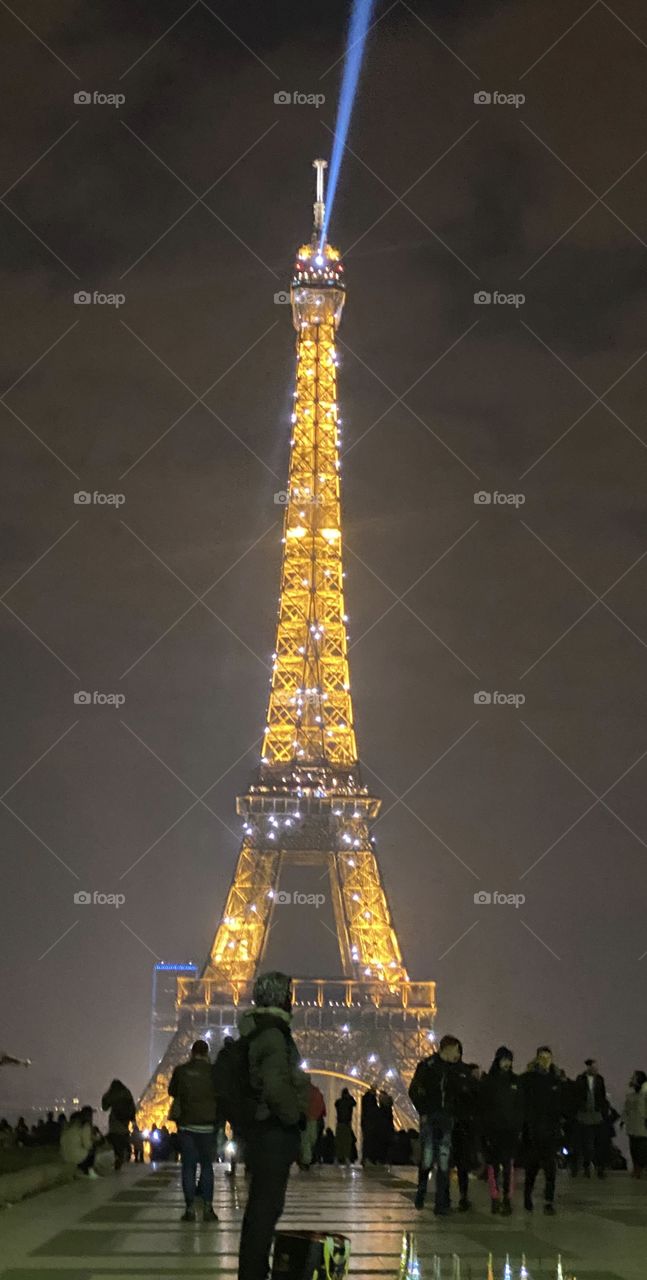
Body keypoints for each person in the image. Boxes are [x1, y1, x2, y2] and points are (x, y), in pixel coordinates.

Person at [237, 970, 309, 1280]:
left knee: (260, 1210)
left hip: (260, 1132)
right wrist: (295, 1116)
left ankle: (253, 1270)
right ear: (282, 997)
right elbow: (276, 1085)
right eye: (289, 994)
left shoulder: (257, 1031)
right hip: (272, 1133)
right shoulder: (273, 1035)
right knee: (266, 1209)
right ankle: (254, 1273)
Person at [408, 1032, 472, 1214]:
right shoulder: (427, 1066)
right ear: (448, 1049)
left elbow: (465, 1093)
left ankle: (441, 1203)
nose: (459, 1055)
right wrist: (424, 1111)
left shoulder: (457, 1070)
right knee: (428, 1159)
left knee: (444, 1161)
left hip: (446, 1119)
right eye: (457, 1051)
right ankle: (421, 1190)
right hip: (431, 1118)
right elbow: (414, 1090)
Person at [169, 1039, 219, 1223]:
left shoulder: (181, 1071)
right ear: (207, 1053)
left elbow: (172, 1091)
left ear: (192, 1052)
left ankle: (189, 1208)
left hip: (187, 1125)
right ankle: (208, 1208)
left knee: (188, 1167)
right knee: (207, 1167)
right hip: (207, 1125)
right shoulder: (215, 1072)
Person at [521, 1046, 565, 1215]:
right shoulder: (528, 1079)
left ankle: (548, 1200)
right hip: (534, 1130)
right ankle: (527, 1196)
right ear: (537, 1059)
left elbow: (562, 1104)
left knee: (550, 1169)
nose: (546, 1061)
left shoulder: (556, 1080)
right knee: (532, 1167)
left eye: (548, 1058)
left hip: (550, 1131)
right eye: (542, 1057)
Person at [479, 1046, 523, 1215]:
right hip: (493, 1130)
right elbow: (483, 1108)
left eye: (509, 1060)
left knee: (508, 1166)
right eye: (504, 1060)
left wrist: (518, 1126)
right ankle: (495, 1197)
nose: (507, 1063)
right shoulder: (489, 1082)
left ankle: (507, 1198)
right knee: (493, 1167)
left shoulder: (515, 1082)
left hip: (510, 1130)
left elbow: (520, 1107)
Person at [572, 1059, 608, 1178]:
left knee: (598, 1142)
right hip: (584, 1114)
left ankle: (599, 1167)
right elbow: (577, 1095)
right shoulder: (580, 1079)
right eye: (593, 1067)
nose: (595, 1070)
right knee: (586, 1142)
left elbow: (602, 1096)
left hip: (596, 1113)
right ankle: (587, 1166)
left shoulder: (600, 1079)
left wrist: (602, 1110)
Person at [101, 1078, 136, 1171]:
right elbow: (132, 1107)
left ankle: (117, 1158)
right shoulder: (127, 1093)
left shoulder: (113, 1093)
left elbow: (104, 1106)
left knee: (115, 1140)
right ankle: (120, 1157)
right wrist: (133, 1119)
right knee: (121, 1140)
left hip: (115, 1121)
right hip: (124, 1123)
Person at [60, 1107, 99, 1178]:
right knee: (93, 1148)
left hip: (65, 1157)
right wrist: (94, 1140)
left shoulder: (66, 1127)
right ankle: (88, 1170)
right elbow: (88, 1145)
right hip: (77, 1158)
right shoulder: (85, 1126)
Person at [622, 1071, 647, 1177]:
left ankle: (640, 1168)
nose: (632, 1079)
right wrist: (623, 1120)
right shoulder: (631, 1095)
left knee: (642, 1148)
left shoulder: (645, 1093)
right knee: (634, 1148)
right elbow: (626, 1109)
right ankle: (637, 1168)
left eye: (634, 1078)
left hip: (643, 1126)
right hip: (632, 1126)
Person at [300, 1082, 325, 1170]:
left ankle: (305, 1159)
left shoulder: (302, 1093)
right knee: (311, 1139)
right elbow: (322, 1109)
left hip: (305, 1119)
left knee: (306, 1139)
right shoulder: (317, 1093)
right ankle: (307, 1159)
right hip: (313, 1119)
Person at [334, 1087, 356, 1166]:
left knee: (339, 1141)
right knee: (347, 1142)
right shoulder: (349, 1102)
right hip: (347, 1124)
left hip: (340, 1124)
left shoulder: (338, 1102)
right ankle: (346, 1157)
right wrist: (350, 1097)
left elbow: (335, 1104)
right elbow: (354, 1103)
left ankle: (337, 1157)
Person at [360, 1085, 379, 1165]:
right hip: (371, 1122)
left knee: (367, 1140)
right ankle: (369, 1158)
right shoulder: (371, 1099)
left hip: (366, 1122)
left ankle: (366, 1158)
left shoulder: (365, 1098)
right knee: (370, 1141)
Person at [376, 1090, 395, 1165]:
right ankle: (387, 1160)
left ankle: (382, 1159)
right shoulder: (389, 1107)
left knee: (382, 1145)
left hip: (383, 1129)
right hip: (388, 1129)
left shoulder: (382, 1109)